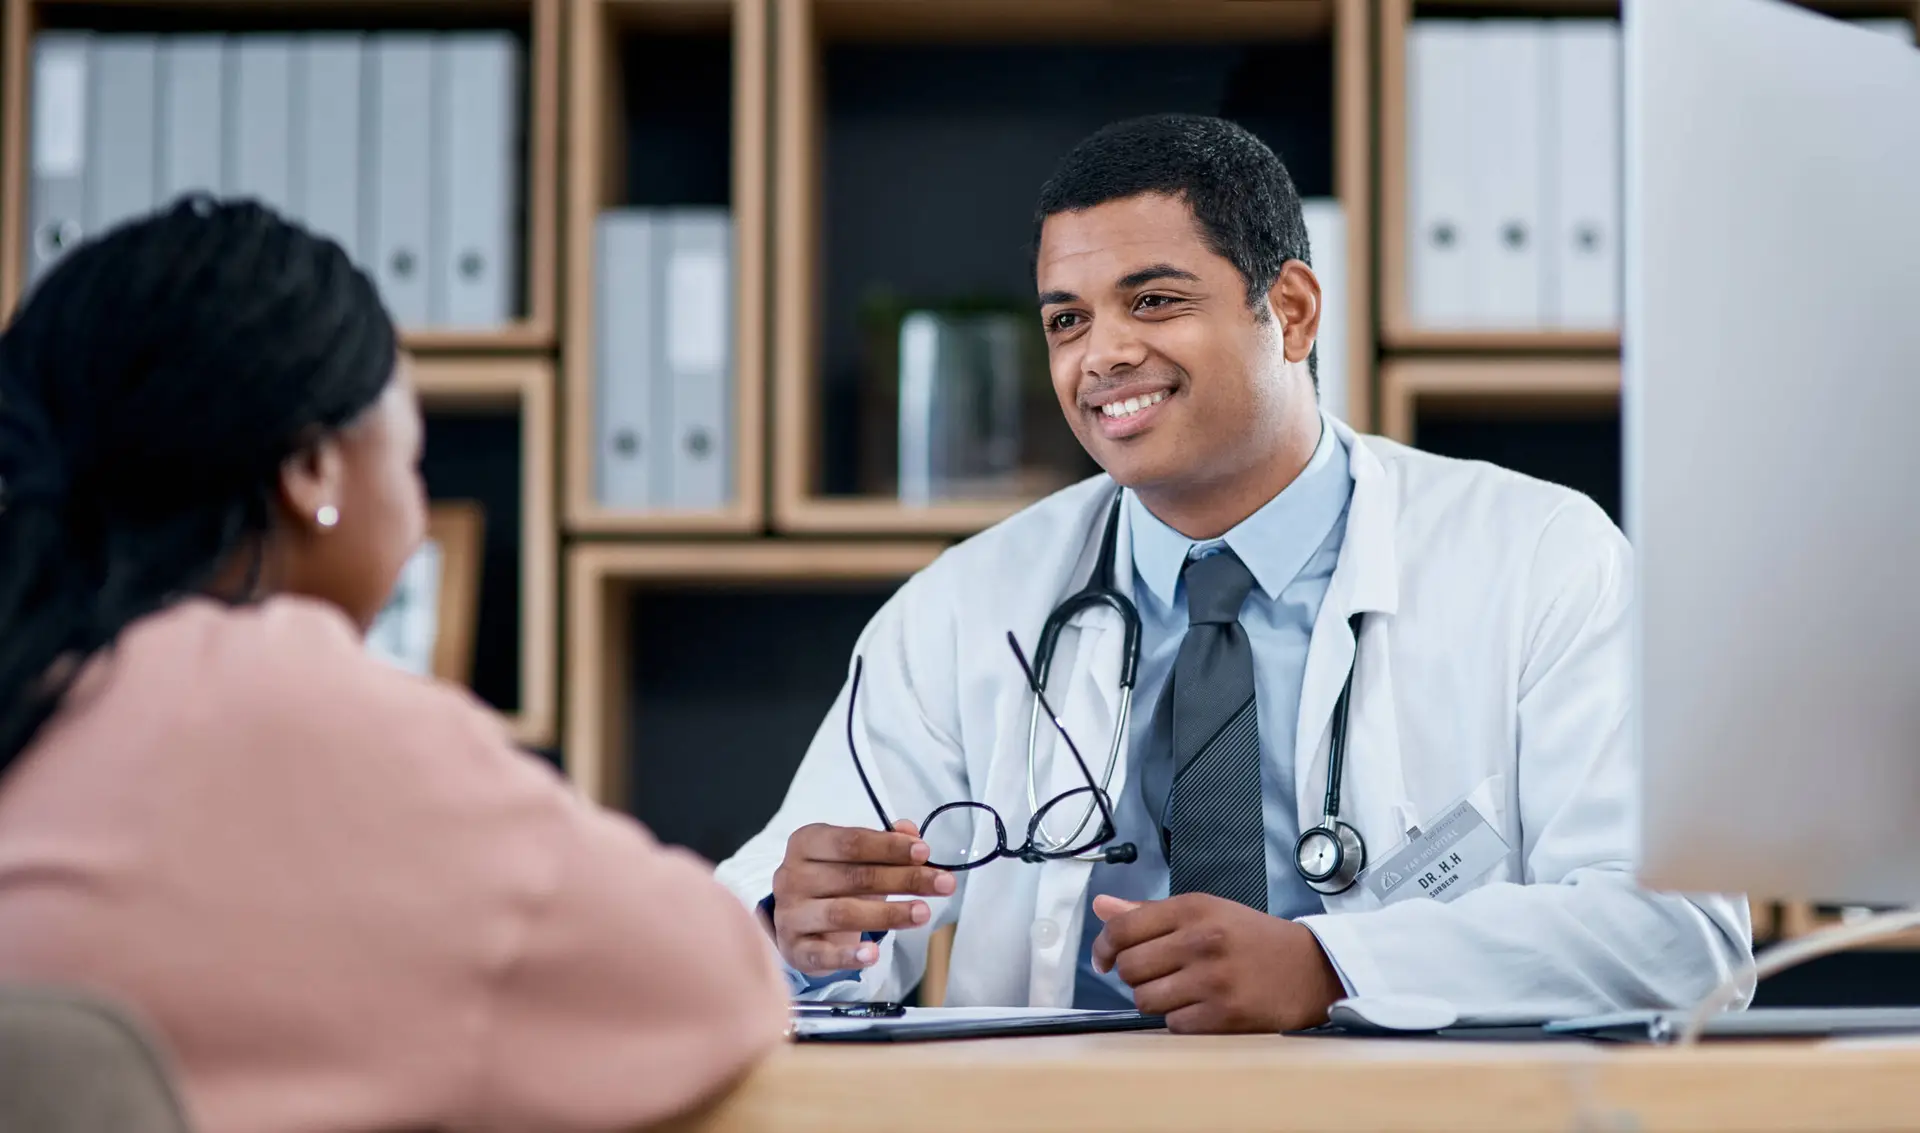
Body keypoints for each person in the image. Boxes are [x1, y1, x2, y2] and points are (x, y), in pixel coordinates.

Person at [717, 114, 1752, 1032]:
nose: (1103, 354)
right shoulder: (965, 604)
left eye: (1154, 299)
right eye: (1067, 319)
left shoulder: (1540, 558)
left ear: (1292, 312)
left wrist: (1332, 966)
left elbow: (1682, 930)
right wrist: (792, 925)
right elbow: (777, 924)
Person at [0, 198, 787, 1132]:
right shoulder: (293, 704)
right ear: (313, 473)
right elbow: (710, 983)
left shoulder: (47, 680)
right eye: (411, 457)